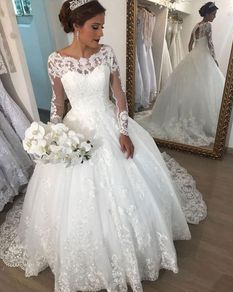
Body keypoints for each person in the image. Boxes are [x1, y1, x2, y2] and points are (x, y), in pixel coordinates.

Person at [0, 1, 207, 291]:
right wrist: (54, 131)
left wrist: (123, 131)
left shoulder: (106, 54)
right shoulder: (56, 60)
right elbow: (57, 103)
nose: (100, 32)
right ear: (76, 26)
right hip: (76, 130)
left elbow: (119, 94)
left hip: (109, 123)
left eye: (102, 26)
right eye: (95, 27)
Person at [136, 2, 225, 147]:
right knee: (203, 89)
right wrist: (214, 59)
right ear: (208, 13)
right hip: (203, 57)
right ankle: (196, 118)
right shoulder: (208, 26)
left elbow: (190, 45)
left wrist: (193, 56)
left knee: (187, 88)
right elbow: (210, 44)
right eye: (214, 14)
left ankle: (182, 115)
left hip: (194, 56)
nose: (214, 17)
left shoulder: (196, 26)